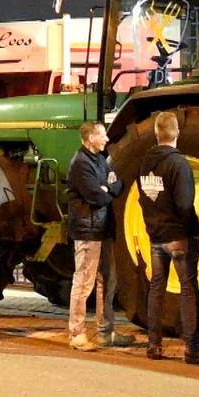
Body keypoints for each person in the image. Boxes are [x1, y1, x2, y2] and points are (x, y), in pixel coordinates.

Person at [137, 111, 199, 365]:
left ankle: (154, 345)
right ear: (177, 133)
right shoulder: (178, 164)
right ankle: (192, 346)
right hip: (178, 236)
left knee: (156, 287)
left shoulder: (144, 162)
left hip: (155, 236)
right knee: (187, 290)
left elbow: (144, 197)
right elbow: (185, 204)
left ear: (156, 133)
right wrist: (192, 229)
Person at [64, 121, 133, 351]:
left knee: (107, 280)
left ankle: (105, 332)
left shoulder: (100, 160)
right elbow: (96, 197)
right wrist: (105, 189)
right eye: (102, 135)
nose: (106, 139)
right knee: (84, 281)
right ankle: (76, 333)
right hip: (88, 231)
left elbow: (117, 184)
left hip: (103, 229)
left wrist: (106, 188)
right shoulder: (80, 165)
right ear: (90, 138)